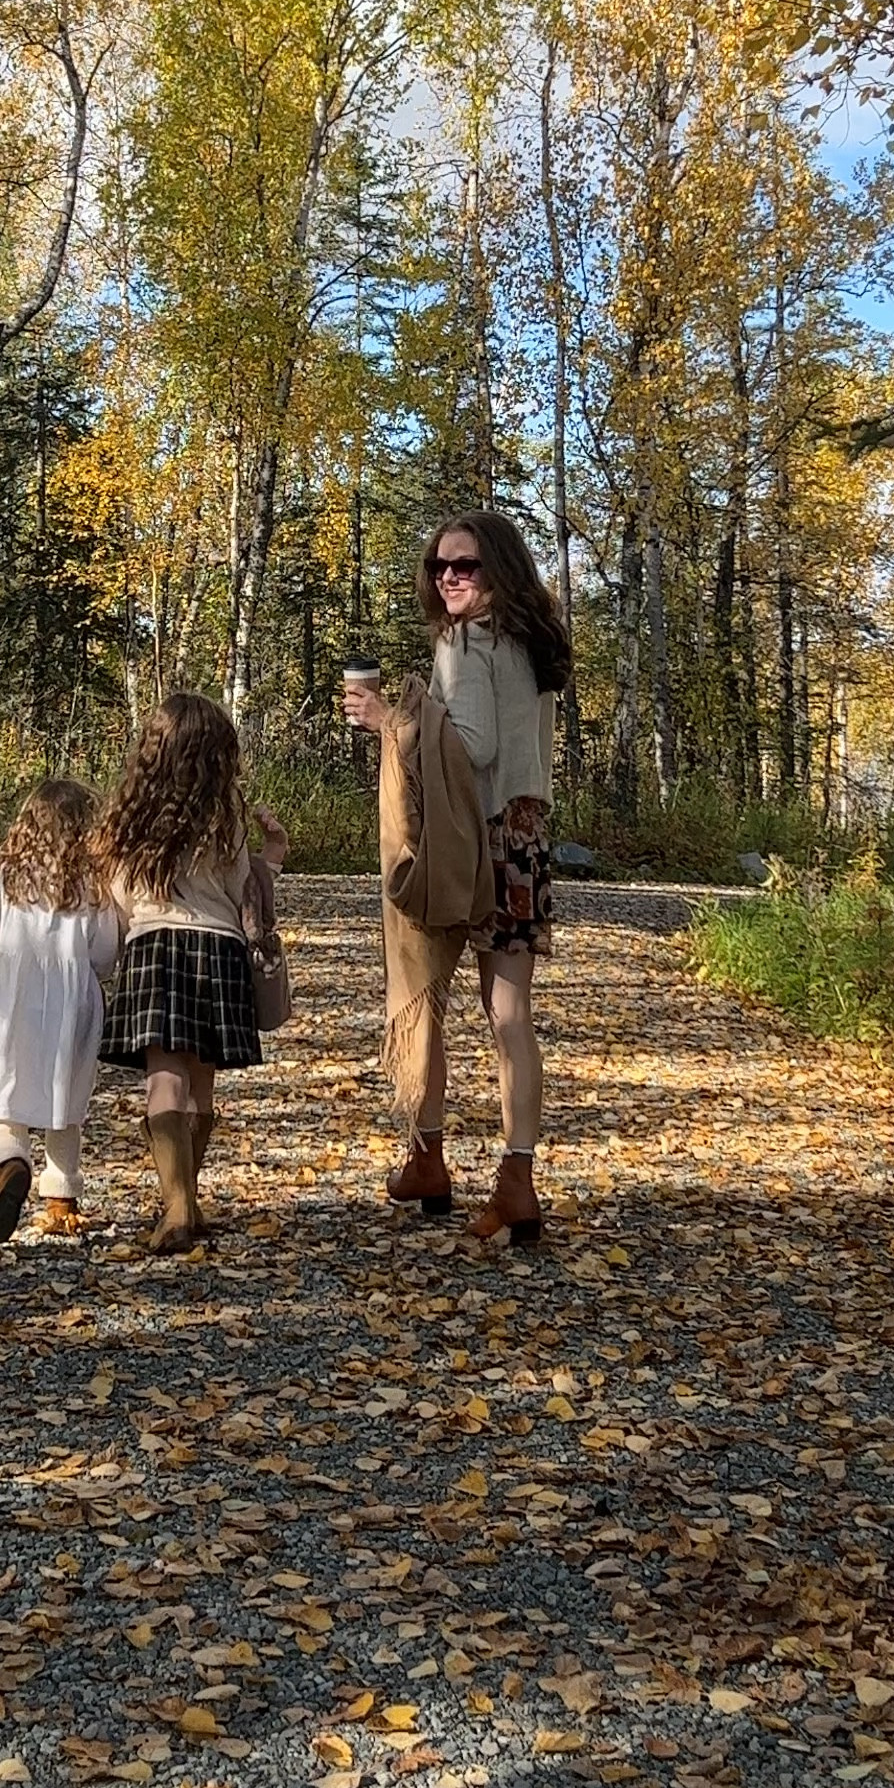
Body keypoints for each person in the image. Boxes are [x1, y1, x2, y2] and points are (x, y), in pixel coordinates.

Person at [343, 509, 569, 1245]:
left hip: (472, 843)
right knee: (509, 1018)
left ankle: (428, 1154)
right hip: (526, 836)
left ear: (498, 570)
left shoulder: (465, 642)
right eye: (440, 567)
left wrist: (388, 720)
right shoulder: (534, 645)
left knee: (423, 990)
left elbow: (468, 746)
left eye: (465, 567)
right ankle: (516, 1175)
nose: (448, 579)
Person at [97, 692, 286, 1257]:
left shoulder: (130, 817)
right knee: (201, 1081)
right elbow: (240, 894)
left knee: (165, 1079)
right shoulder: (224, 817)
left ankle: (177, 1204)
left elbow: (121, 897)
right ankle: (187, 1200)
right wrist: (271, 858)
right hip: (221, 951)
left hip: (156, 947)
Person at [0, 778, 124, 1246]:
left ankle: (10, 1163)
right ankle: (61, 1199)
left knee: (8, 1094)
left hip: (13, 998)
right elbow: (105, 952)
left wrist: (6, 962)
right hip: (73, 1000)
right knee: (65, 1101)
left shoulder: (6, 875)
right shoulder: (93, 883)